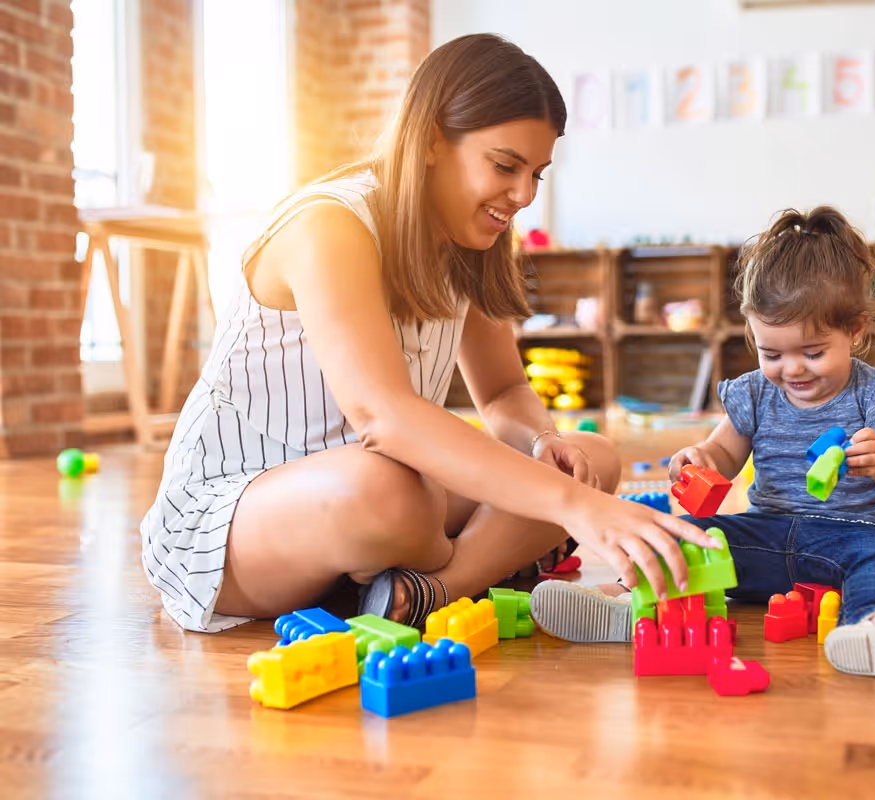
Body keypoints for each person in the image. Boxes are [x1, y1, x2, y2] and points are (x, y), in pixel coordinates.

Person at [138, 33, 719, 634]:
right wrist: (573, 509)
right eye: (505, 166)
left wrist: (546, 443)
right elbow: (382, 416)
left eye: (537, 175)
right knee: (398, 492)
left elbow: (503, 394)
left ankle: (428, 591)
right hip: (234, 520)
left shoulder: (474, 241)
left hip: (389, 500)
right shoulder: (329, 225)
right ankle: (472, 562)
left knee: (589, 461)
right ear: (435, 139)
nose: (523, 196)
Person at [530, 206, 875, 683]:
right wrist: (699, 459)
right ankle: (631, 602)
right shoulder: (754, 393)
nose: (793, 369)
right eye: (772, 353)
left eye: (813, 353)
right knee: (690, 534)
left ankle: (874, 627)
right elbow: (723, 455)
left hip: (852, 535)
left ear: (854, 329)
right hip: (765, 536)